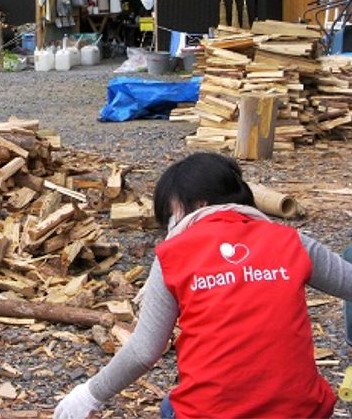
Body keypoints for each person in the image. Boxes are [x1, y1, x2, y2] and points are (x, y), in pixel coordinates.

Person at [54, 152, 352, 419]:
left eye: (171, 213)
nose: (170, 225)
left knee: (171, 406)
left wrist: (90, 394)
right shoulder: (290, 241)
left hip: (212, 412)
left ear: (199, 204)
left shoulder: (173, 254)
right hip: (302, 410)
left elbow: (145, 351)